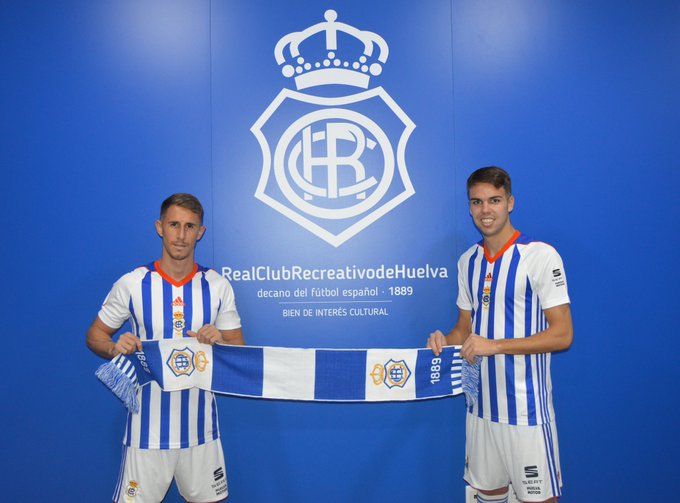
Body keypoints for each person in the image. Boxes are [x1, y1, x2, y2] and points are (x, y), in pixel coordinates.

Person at [427, 167, 573, 503]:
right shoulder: (468, 262)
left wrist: (495, 346)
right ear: (469, 208)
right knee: (488, 495)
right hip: (480, 410)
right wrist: (442, 340)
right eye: (477, 202)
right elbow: (463, 331)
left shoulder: (539, 256)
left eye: (494, 200)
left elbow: (563, 335)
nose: (485, 210)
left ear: (510, 202)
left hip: (526, 412)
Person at [86, 193, 244, 503]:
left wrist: (220, 340)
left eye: (189, 226)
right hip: (146, 431)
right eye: (174, 225)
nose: (181, 235)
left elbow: (239, 350)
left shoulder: (217, 285)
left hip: (201, 431)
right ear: (160, 227)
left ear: (201, 232)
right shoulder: (133, 283)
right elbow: (95, 336)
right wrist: (115, 348)